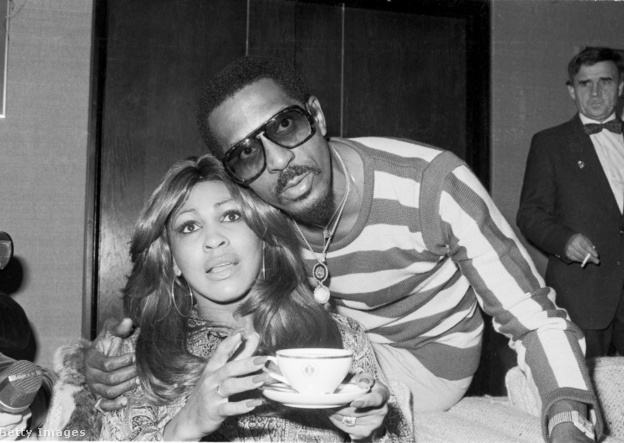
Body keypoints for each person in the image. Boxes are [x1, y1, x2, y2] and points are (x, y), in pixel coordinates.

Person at [87, 56, 603, 442]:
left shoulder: (431, 184)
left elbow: (533, 315)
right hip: (332, 337)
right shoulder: (255, 207)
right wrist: (114, 354)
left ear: (317, 115)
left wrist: (568, 420)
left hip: (428, 366)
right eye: (245, 153)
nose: (279, 162)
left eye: (285, 126)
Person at [80, 154, 410, 441]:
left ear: (262, 234)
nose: (214, 240)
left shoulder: (343, 340)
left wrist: (368, 432)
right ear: (172, 260)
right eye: (189, 226)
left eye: (230, 216)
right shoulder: (132, 359)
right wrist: (184, 427)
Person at [517, 46, 624, 360]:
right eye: (584, 83)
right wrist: (565, 241)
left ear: (620, 87)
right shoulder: (549, 143)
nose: (595, 92)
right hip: (583, 295)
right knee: (583, 385)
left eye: (605, 82)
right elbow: (530, 214)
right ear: (571, 91)